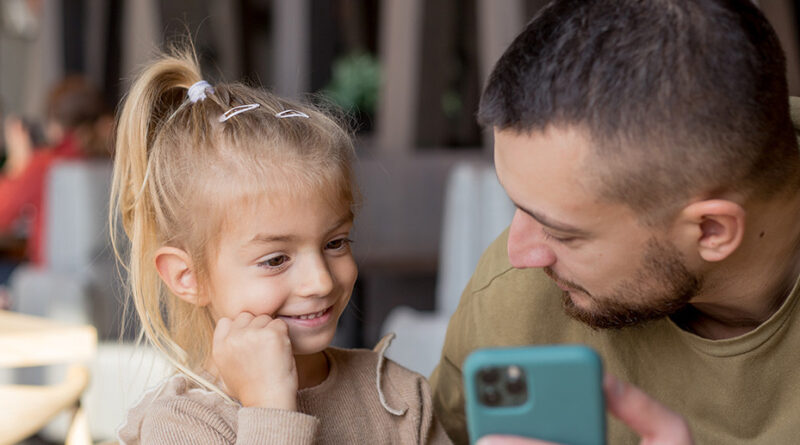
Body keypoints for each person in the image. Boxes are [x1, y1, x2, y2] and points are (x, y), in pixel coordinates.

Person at [430, 0, 800, 443]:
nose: (517, 252)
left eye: (562, 231)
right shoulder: (515, 301)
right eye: (517, 204)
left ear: (711, 231)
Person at [112, 48, 451, 444]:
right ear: (187, 277)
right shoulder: (183, 425)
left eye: (335, 242)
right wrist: (269, 408)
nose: (320, 281)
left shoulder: (398, 394)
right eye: (275, 259)